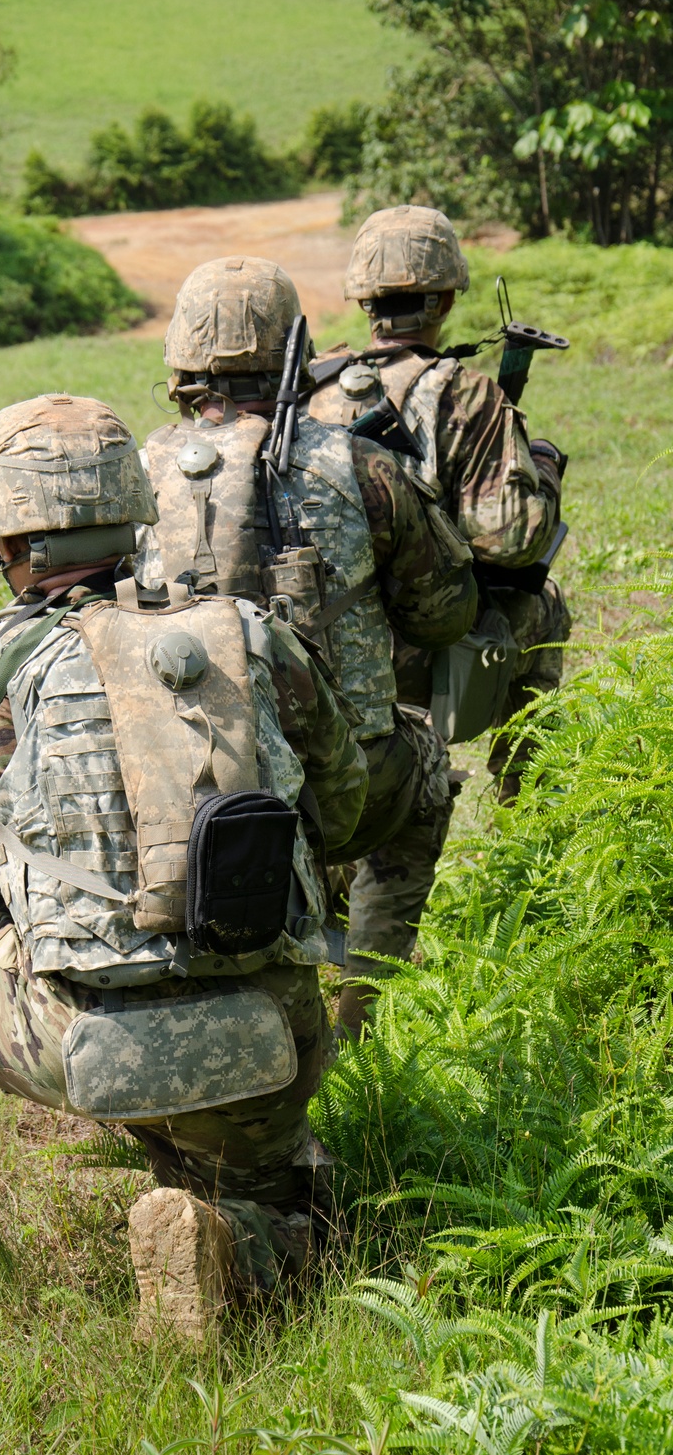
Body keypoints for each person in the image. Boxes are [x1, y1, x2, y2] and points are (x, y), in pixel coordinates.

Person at [0, 393, 369, 1338]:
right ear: (132, 514)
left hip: (87, 1042)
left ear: (5, 537)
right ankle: (236, 1232)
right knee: (275, 1200)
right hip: (268, 1030)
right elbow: (342, 816)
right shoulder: (255, 638)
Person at [135, 256, 477, 1035]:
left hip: (170, 797)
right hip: (337, 798)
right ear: (297, 353)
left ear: (180, 364)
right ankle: (359, 1006)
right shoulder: (359, 463)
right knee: (422, 762)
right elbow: (444, 614)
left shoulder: (136, 472)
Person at [307, 204, 571, 802]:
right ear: (447, 299)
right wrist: (546, 470)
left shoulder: (311, 387)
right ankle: (532, 810)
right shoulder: (463, 394)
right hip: (413, 646)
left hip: (317, 641)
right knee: (546, 609)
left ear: (364, 303)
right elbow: (513, 540)